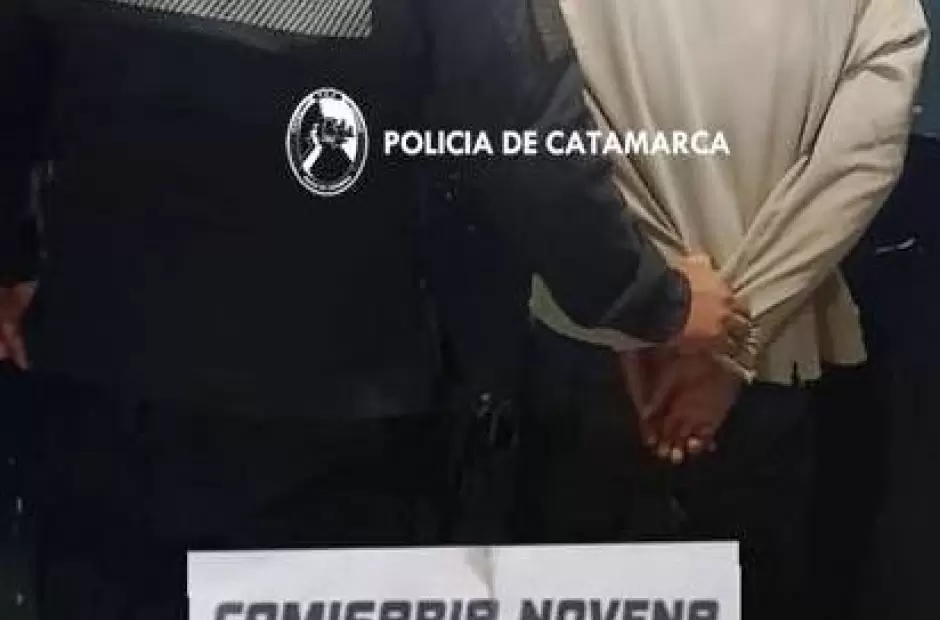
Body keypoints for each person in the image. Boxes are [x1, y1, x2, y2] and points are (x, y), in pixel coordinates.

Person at [0, 0, 742, 617]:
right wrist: (651, 301)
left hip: (99, 380)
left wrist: (11, 256)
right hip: (323, 412)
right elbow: (520, 127)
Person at [521, 1, 929, 619]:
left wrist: (644, 305)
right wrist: (739, 326)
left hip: (597, 343)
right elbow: (865, 150)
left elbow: (536, 105)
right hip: (772, 351)